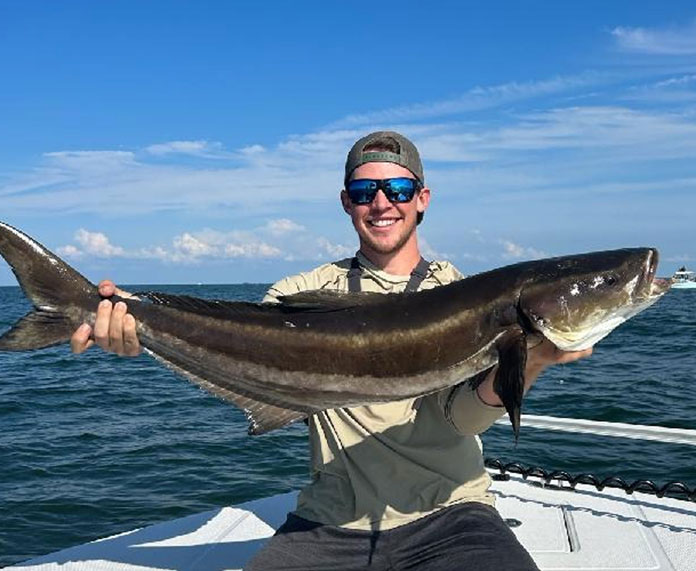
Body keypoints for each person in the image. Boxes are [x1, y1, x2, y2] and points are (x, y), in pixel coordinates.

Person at [71, 131, 592, 570]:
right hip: (330, 519)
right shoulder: (299, 294)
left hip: (451, 514)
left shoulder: (461, 292)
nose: (382, 202)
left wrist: (533, 362)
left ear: (422, 199)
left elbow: (459, 420)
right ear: (347, 202)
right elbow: (254, 369)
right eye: (365, 190)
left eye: (398, 188)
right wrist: (135, 326)